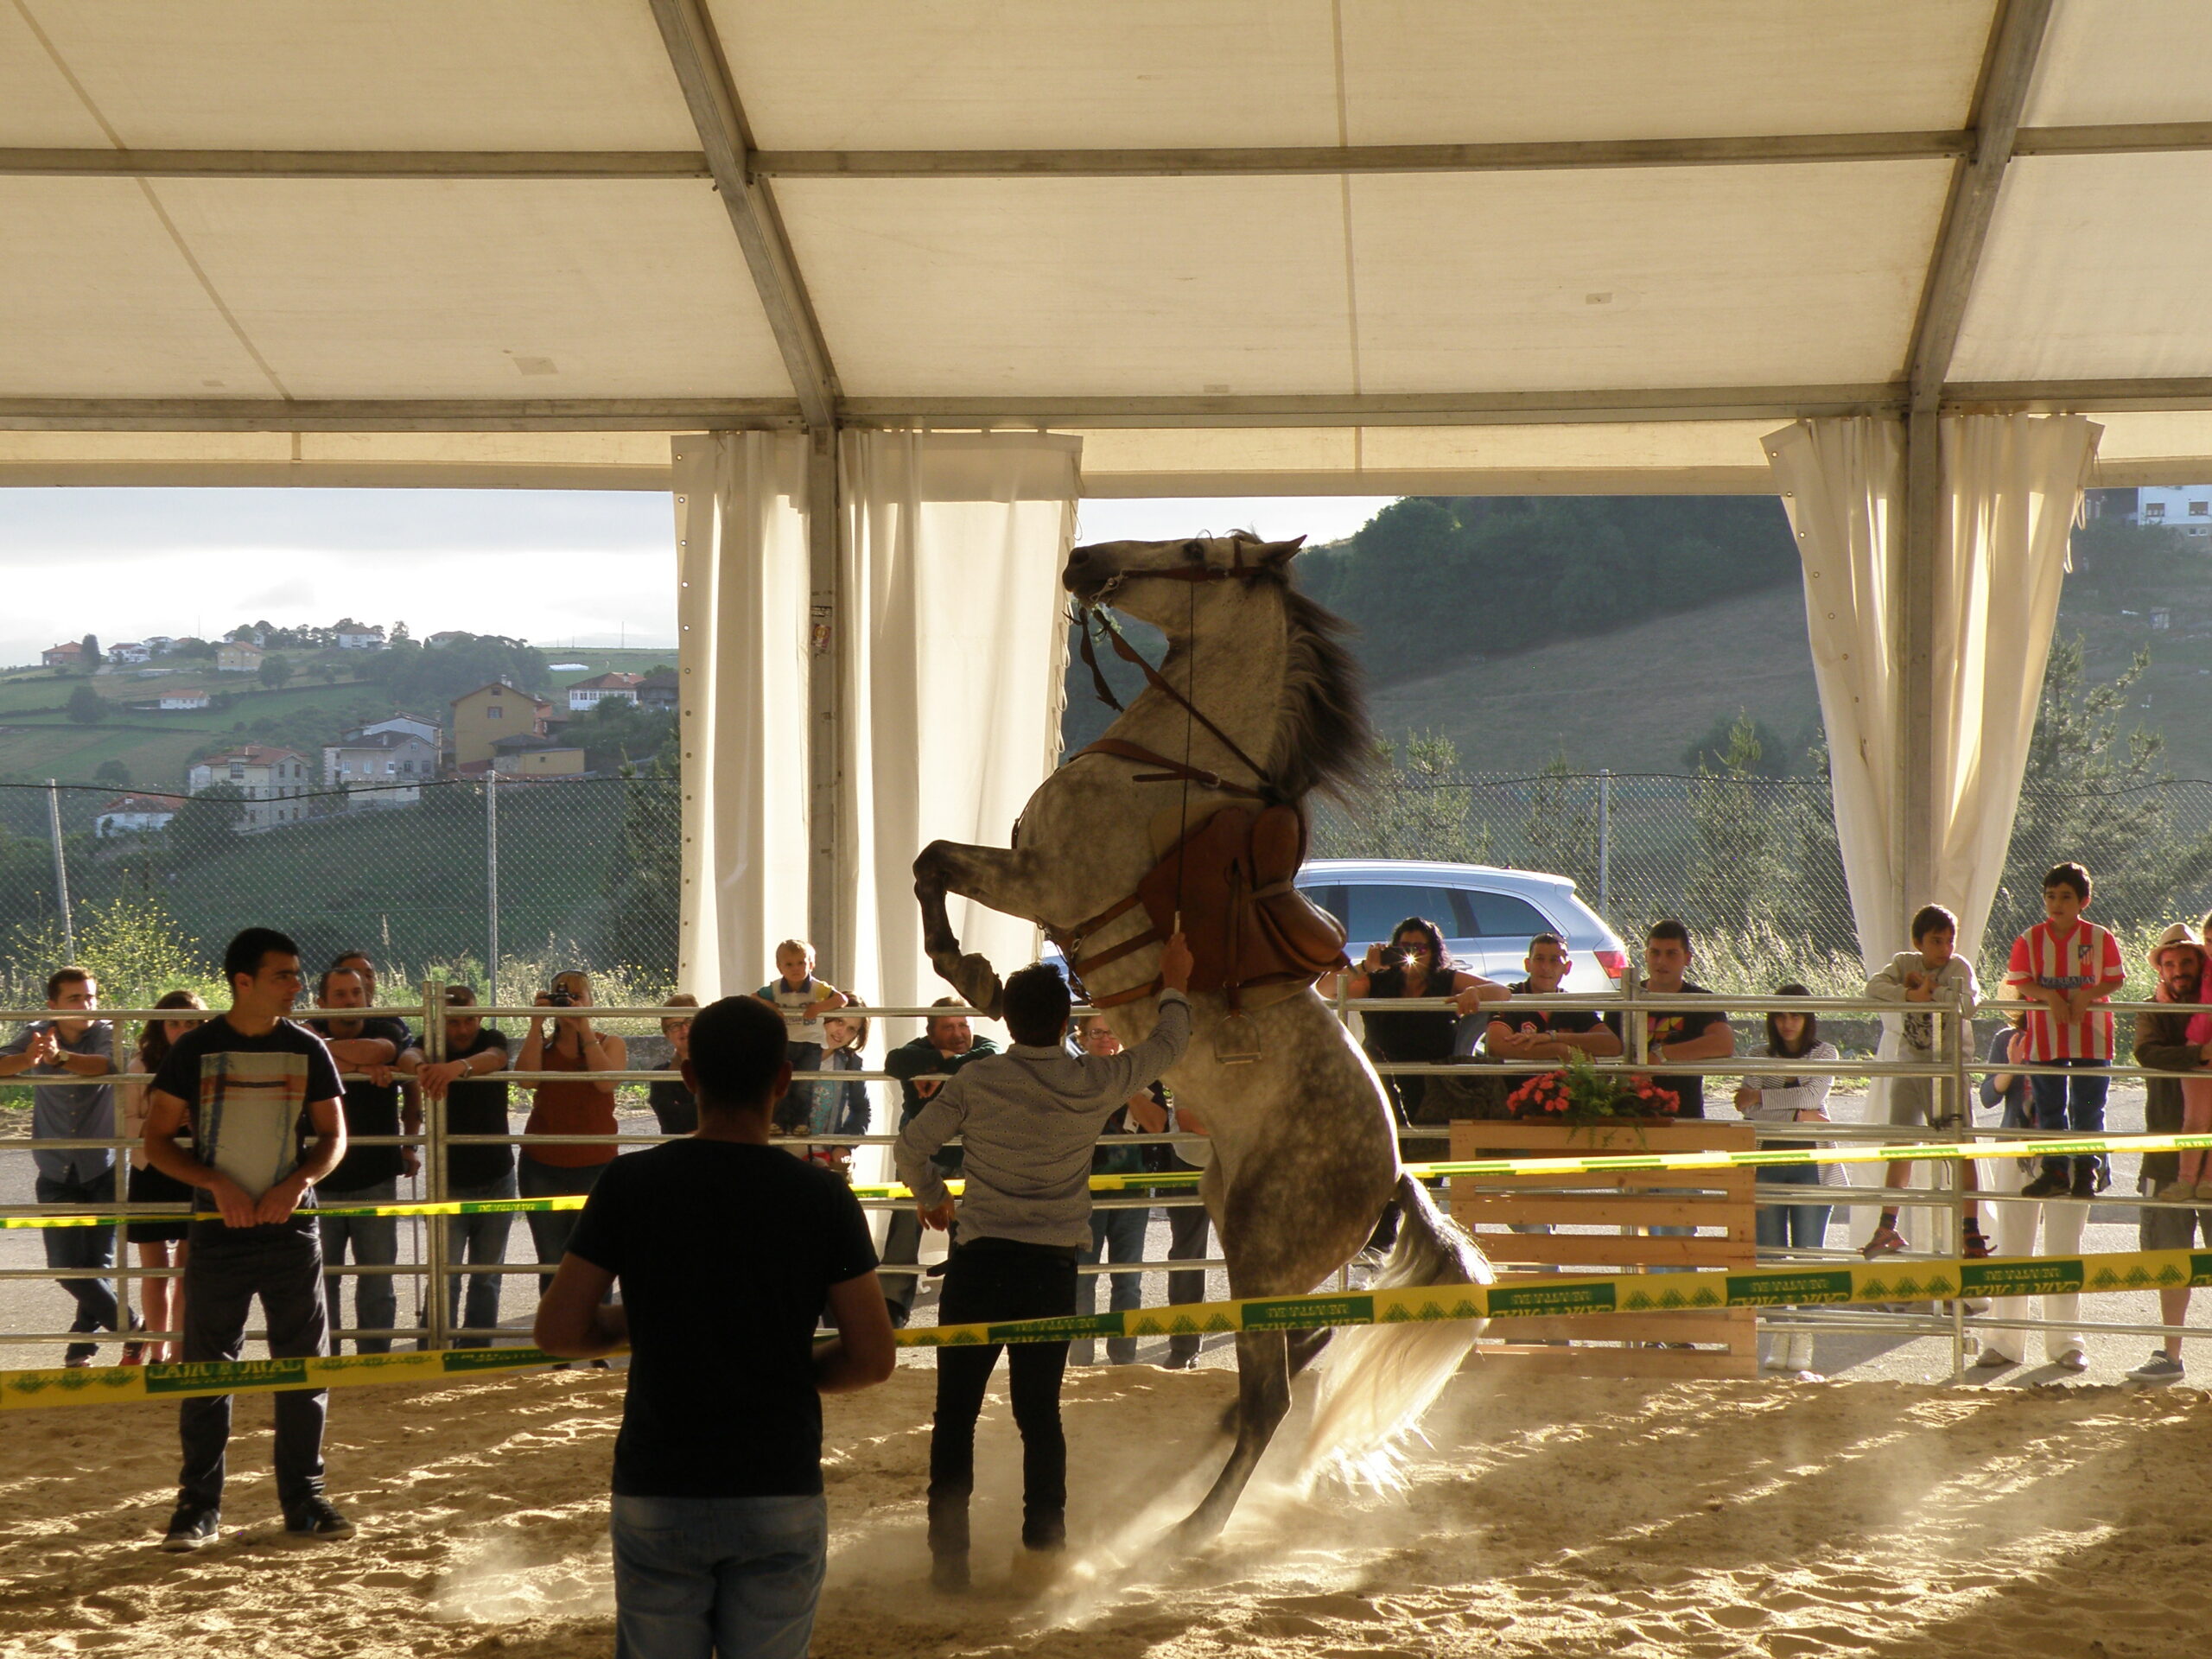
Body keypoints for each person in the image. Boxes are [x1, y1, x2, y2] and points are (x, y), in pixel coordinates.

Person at [534, 995, 895, 1658]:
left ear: (688, 1076)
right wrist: (792, 1369)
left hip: (661, 1473)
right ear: (784, 1079)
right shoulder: (821, 1196)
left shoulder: (631, 1183)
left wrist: (637, 1321)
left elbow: (559, 1329)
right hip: (777, 1473)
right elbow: (873, 1357)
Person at [896, 937, 1194, 1592]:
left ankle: (948, 1561)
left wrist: (932, 1198)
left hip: (976, 1265)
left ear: (1007, 1021)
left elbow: (911, 1146)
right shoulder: (1093, 1080)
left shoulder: (976, 1077)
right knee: (1040, 1415)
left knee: (954, 1416)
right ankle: (1043, 1549)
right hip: (1048, 1270)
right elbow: (1168, 1045)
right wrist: (1173, 982)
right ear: (1066, 1023)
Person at [142, 926, 353, 1548]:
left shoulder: (309, 1048)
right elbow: (154, 1141)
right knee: (207, 1372)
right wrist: (215, 1185)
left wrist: (301, 1183)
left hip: (294, 1231)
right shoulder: (195, 1049)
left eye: (295, 973)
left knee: (304, 1369)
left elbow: (333, 1137)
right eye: (283, 975)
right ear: (243, 982)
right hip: (217, 1232)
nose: (296, 985)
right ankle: (197, 1507)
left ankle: (306, 1500)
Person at [0, 967, 130, 1367]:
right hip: (56, 1168)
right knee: (66, 1269)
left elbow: (105, 1065)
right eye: (75, 999)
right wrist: (28, 1057)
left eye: (90, 996)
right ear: (53, 1005)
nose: (86, 1005)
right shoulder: (36, 1031)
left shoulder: (109, 1030)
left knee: (97, 1266)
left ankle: (81, 1348)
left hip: (103, 1165)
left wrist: (59, 1057)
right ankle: (135, 1330)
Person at [1859, 905, 1987, 1258]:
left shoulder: (1959, 967)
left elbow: (1970, 1003)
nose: (1944, 949)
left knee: (1961, 1144)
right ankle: (1888, 1226)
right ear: (1918, 942)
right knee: (1901, 1142)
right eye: (1936, 941)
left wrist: (1934, 992)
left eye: (1949, 941)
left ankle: (1971, 1230)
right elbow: (1874, 986)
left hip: (1947, 1067)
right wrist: (1910, 995)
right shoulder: (1904, 964)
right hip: (1912, 1062)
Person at [307, 965, 418, 1354]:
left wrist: (329, 1055)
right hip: (319, 1178)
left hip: (375, 1175)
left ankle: (375, 1359)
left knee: (377, 1277)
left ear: (366, 997)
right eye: (339, 994)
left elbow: (379, 1051)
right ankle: (327, 1357)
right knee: (322, 1278)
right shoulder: (304, 1031)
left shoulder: (386, 1025)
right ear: (321, 1002)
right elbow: (361, 1057)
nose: (350, 1000)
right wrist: (357, 1069)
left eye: (356, 993)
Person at [1974, 1004, 2089, 1373]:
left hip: (2068, 1153)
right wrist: (2013, 1064)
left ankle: (2066, 1341)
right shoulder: (2008, 1038)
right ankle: (2003, 1341)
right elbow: (1989, 1095)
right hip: (2017, 1148)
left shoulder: (2080, 1039)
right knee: (2013, 1244)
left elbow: (2090, 1100)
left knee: (2064, 1246)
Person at [2120, 925, 2212, 1386]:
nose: (2178, 971)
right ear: (2160, 967)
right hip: (2165, 1150)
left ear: (2201, 963)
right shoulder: (2153, 1009)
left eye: (2186, 962)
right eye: (2170, 964)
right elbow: (2146, 1053)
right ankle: (2170, 1353)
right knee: (2169, 1257)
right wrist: (2199, 1055)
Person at [1733, 985, 1839, 1376]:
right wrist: (1797, 1115)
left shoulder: (1825, 1053)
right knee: (1771, 1255)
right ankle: (1781, 1330)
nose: (1788, 1022)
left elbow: (1814, 1093)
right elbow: (1747, 1111)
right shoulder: (1758, 1055)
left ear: (1808, 1018)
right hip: (1768, 1160)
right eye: (1780, 1015)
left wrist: (1763, 1098)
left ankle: (1805, 1337)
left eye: (1795, 1014)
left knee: (1809, 1253)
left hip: (1812, 1163)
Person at [2007, 862, 2126, 1199]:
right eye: (2050, 896)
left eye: (2066, 897)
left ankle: (2087, 1171)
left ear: (2083, 901)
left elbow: (2116, 978)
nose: (2056, 903)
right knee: (2049, 1106)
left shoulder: (2099, 937)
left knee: (2088, 1106)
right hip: (2046, 1036)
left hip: (2092, 1036)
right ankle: (2055, 1170)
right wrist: (2047, 996)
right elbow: (2019, 978)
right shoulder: (2030, 939)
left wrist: (2087, 994)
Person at [879, 1000, 1000, 1325]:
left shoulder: (983, 1048)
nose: (959, 1033)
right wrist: (942, 1062)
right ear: (930, 1033)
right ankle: (891, 1311)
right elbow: (894, 1061)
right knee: (903, 1235)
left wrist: (939, 1069)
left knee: (968, 1237)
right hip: (921, 1158)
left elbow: (991, 1057)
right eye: (948, 1027)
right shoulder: (914, 1052)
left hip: (967, 1159)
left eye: (963, 1025)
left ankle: (964, 1306)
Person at [1322, 916, 1503, 1123]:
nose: (1411, 954)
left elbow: (1502, 991)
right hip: (1383, 1074)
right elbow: (1326, 989)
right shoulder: (1377, 980)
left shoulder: (1446, 979)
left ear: (1433, 952)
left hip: (1434, 1081)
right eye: (1404, 948)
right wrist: (1365, 966)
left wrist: (1476, 992)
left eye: (1420, 948)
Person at [412, 985, 513, 1347]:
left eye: (470, 1019)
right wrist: (424, 1067)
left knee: (486, 1275)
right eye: (454, 1022)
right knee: (445, 1274)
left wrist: (455, 1068)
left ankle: (475, 1349)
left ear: (480, 1016)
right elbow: (407, 1055)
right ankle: (433, 1348)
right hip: (448, 1180)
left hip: (496, 1175)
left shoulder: (491, 1037)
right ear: (441, 1021)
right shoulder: (430, 1041)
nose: (463, 1029)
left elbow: (497, 1056)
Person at [516, 969, 626, 1294]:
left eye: (578, 996)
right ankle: (557, 1339)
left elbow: (606, 1083)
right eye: (562, 996)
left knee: (595, 1261)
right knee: (552, 1262)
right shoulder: (543, 1046)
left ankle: (593, 1338)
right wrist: (536, 1023)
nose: (570, 1002)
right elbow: (526, 1080)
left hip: (596, 1165)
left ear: (591, 1001)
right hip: (542, 1165)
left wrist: (585, 1028)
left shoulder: (611, 1043)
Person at [1068, 1014, 1166, 1366]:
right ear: (1082, 1037)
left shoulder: (1143, 1074)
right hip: (1083, 1195)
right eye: (1096, 1032)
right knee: (1082, 1279)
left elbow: (1156, 1125)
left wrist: (1124, 1084)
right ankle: (1080, 1360)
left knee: (1129, 1281)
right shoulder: (1071, 1075)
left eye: (1111, 1032)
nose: (1105, 1039)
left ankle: (1123, 1358)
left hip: (1133, 1192)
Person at [120, 991, 208, 1363]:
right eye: (174, 1022)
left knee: (188, 1269)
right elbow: (123, 1124)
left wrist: (197, 1122)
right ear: (159, 1026)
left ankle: (182, 1351)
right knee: (155, 1270)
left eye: (191, 1023)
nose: (182, 1030)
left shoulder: (211, 1062)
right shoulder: (141, 1065)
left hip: (195, 1167)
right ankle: (158, 1350)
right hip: (150, 1168)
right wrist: (162, 1123)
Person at [1610, 920, 1735, 1117]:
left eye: (1671, 953)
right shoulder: (1625, 999)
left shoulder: (1699, 999)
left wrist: (1660, 1055)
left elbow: (1723, 1043)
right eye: (1655, 953)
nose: (1661, 961)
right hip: (1628, 1114)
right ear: (1645, 955)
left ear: (1687, 958)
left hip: (1683, 1114)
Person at [1483, 931, 1624, 1065]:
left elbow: (1612, 1046)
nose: (1545, 967)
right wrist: (1560, 1050)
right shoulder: (1510, 996)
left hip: (1564, 1089)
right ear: (1527, 964)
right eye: (1539, 959)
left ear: (1567, 968)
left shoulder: (1573, 1004)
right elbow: (1496, 1047)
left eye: (1554, 960)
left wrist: (1553, 1037)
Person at [775, 1001, 871, 1173]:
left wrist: (844, 1146)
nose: (841, 1032)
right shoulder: (788, 1051)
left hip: (822, 1161)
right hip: (776, 1155)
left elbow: (862, 1110)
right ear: (823, 1017)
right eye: (839, 1021)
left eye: (851, 1029)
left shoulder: (851, 1063)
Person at [755, 939, 849, 1089]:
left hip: (811, 1043)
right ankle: (782, 1112)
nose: (795, 968)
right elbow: (754, 998)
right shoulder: (775, 988)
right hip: (784, 1041)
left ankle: (802, 1113)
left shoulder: (818, 988)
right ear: (780, 967)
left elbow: (842, 999)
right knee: (782, 1084)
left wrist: (818, 1007)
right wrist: (771, 1006)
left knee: (804, 1087)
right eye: (789, 964)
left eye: (801, 963)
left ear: (811, 965)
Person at [646, 993, 699, 1135]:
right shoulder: (660, 1075)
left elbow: (731, 1115)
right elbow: (671, 1122)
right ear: (666, 1034)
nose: (684, 1029)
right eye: (675, 1025)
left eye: (689, 1020)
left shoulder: (721, 1065)